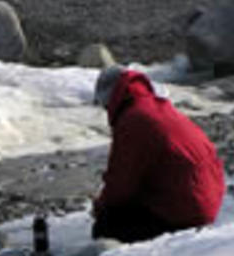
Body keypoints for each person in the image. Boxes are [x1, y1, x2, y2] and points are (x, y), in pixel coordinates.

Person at [91, 65, 225, 243]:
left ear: (110, 98)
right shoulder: (159, 107)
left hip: (185, 212)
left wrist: (101, 206)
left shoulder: (133, 120)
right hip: (207, 203)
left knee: (106, 225)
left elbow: (122, 180)